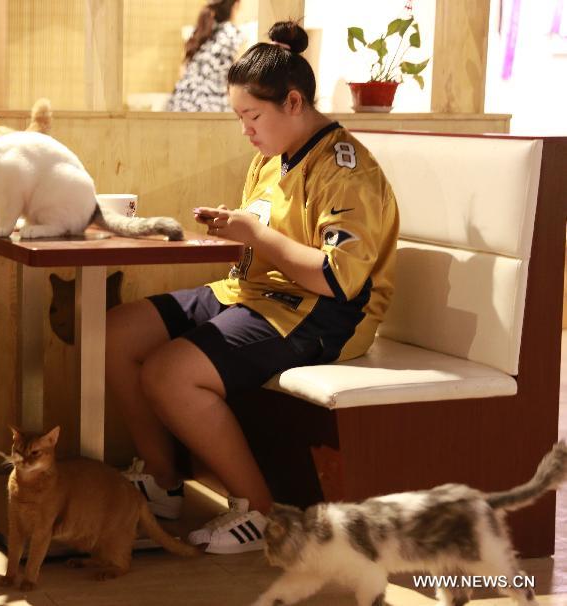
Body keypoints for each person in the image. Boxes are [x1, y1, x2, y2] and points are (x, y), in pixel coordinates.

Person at [108, 22, 400, 554]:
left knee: (169, 374)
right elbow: (258, 238)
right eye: (240, 117)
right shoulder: (270, 155)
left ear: (293, 102)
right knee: (114, 333)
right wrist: (233, 228)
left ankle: (261, 512)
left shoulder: (345, 169)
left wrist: (255, 233)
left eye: (252, 116)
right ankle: (164, 480)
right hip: (253, 291)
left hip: (323, 312)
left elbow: (338, 278)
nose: (246, 129)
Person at [165, 0, 245, 112]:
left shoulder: (198, 32)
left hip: (178, 105)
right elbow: (239, 79)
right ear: (236, 6)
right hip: (213, 108)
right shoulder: (235, 35)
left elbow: (182, 71)